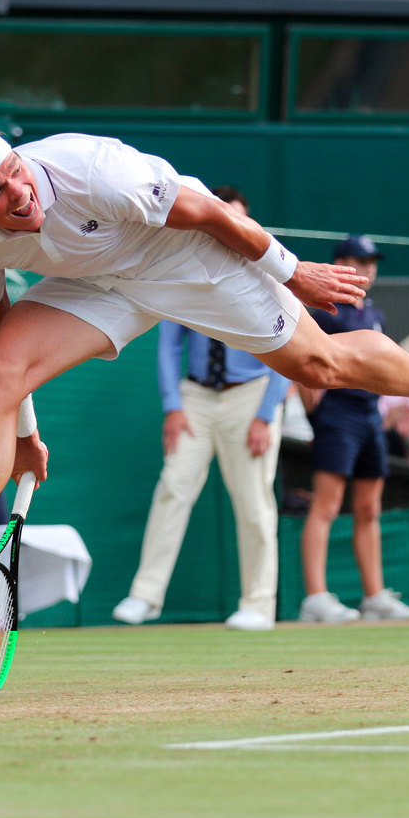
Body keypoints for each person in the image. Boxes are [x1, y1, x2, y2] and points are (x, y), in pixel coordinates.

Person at [0, 123, 409, 642]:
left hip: (184, 250)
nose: (18, 193)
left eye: (15, 172)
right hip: (96, 286)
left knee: (318, 365)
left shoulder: (88, 170)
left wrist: (293, 270)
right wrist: (23, 432)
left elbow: (207, 211)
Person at [111, 188, 291, 632]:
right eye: (222, 217)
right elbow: (170, 346)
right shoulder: (184, 263)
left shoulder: (270, 270)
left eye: (240, 219)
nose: (231, 226)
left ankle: (258, 604)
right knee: (173, 486)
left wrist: (266, 415)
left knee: (254, 500)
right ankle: (145, 597)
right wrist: (173, 406)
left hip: (251, 395)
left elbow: (292, 348)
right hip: (196, 397)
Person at [299, 235, 409, 624]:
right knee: (327, 506)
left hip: (369, 415)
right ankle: (315, 598)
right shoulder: (324, 309)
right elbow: (304, 363)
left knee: (369, 507)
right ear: (341, 263)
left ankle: (374, 597)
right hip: (337, 413)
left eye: (372, 262)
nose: (369, 268)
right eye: (361, 261)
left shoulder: (376, 314)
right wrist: (317, 417)